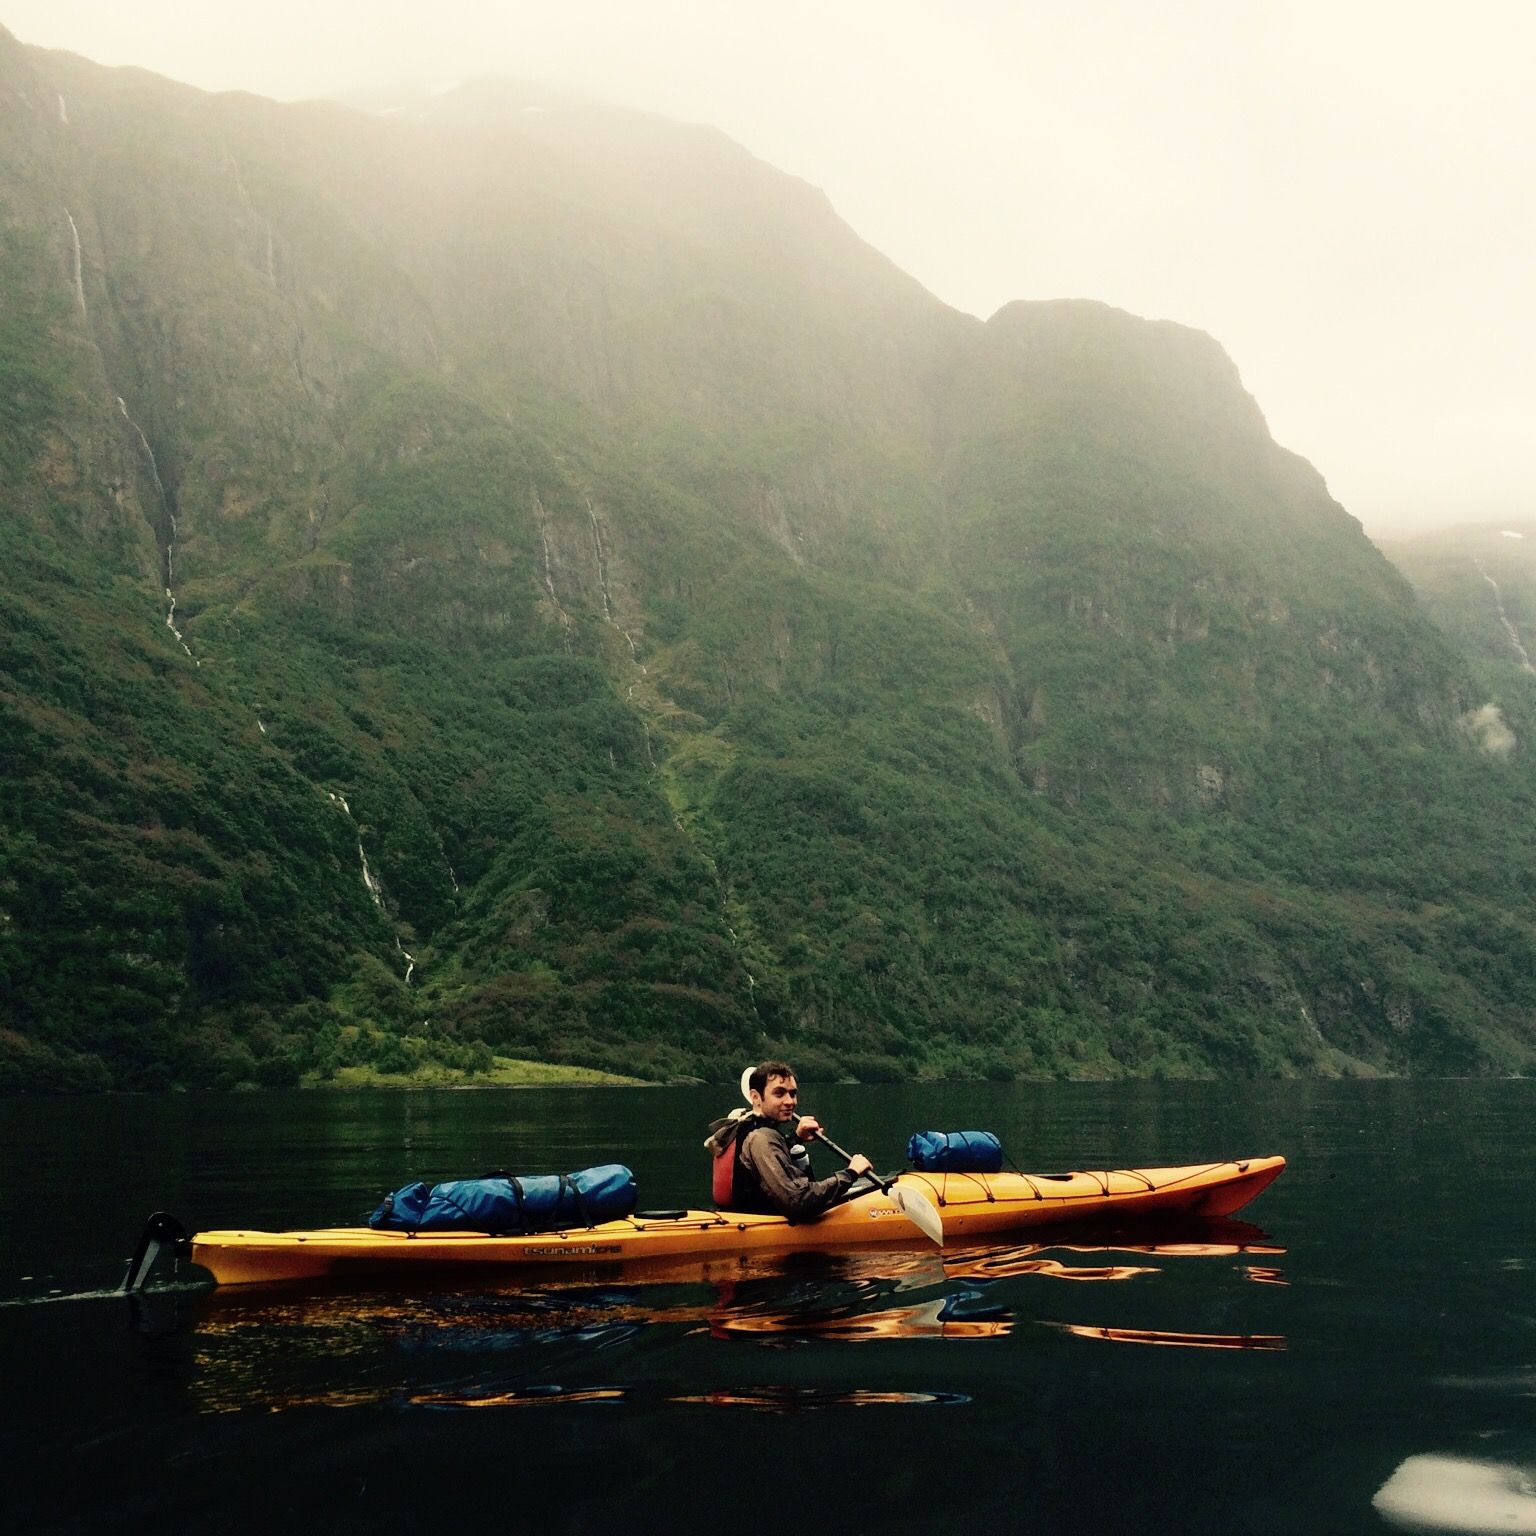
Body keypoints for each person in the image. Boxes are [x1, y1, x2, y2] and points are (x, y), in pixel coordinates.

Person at [724, 1061, 874, 1220]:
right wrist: (850, 1174)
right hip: (762, 1228)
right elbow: (797, 1202)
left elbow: (772, 1160)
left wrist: (796, 1138)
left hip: (747, 1218)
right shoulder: (761, 1138)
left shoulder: (747, 1126)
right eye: (779, 1093)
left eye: (792, 1093)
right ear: (755, 1097)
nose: (790, 1102)